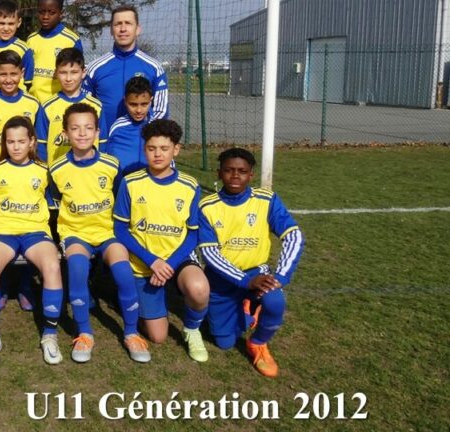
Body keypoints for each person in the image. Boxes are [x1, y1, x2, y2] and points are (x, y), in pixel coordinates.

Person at [48, 103, 146, 364]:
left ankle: (131, 332)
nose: (82, 133)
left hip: (107, 232)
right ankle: (84, 333)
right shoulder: (57, 170)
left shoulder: (111, 165)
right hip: (76, 233)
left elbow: (119, 200)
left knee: (123, 272)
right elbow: (56, 202)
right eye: (75, 128)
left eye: (88, 128)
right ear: (65, 133)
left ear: (97, 132)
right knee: (77, 268)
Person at [198, 148, 306, 377]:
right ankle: (248, 306)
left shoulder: (266, 200)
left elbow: (294, 235)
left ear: (251, 175)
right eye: (228, 170)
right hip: (222, 280)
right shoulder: (206, 206)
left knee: (275, 301)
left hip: (257, 272)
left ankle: (258, 343)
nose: (235, 176)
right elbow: (209, 253)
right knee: (224, 342)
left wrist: (281, 276)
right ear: (219, 173)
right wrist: (245, 282)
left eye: (242, 171)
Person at [112, 119, 209, 363]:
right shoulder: (130, 182)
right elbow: (120, 229)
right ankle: (140, 299)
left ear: (176, 150)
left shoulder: (189, 186)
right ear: (144, 149)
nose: (157, 154)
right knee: (158, 336)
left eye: (164, 148)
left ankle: (192, 329)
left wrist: (169, 264)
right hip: (145, 264)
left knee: (199, 289)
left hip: (177, 260)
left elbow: (193, 233)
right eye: (151, 148)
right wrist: (152, 261)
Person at [0, 117, 64, 366]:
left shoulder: (44, 171)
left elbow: (58, 205)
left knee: (52, 266)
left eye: (21, 141)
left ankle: (50, 335)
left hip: (35, 231)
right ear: (4, 143)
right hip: (2, 231)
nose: (16, 147)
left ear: (32, 142)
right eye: (10, 141)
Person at [86, 5, 169, 121]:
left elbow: (161, 111)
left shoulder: (154, 68)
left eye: (128, 23)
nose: (123, 29)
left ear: (138, 29)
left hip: (142, 133)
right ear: (111, 30)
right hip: (105, 134)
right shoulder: (94, 68)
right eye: (118, 24)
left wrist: (140, 131)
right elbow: (83, 107)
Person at [35, 48, 103, 165]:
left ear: (83, 72)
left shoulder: (96, 106)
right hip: (57, 172)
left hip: (90, 171)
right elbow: (41, 144)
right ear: (56, 73)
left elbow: (103, 142)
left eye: (74, 72)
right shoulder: (47, 106)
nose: (68, 78)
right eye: (63, 72)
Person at [0, 50, 41, 166]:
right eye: (3, 74)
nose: (8, 80)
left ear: (22, 73)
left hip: (24, 168)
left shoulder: (34, 104)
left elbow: (38, 139)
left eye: (13, 74)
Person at [27, 0, 83, 103]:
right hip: (33, 103)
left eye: (51, 12)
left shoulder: (71, 40)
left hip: (58, 104)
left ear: (61, 14)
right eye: (41, 12)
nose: (45, 17)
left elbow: (77, 74)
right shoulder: (31, 39)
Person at [104, 76, 153, 182]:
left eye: (144, 104)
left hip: (151, 186)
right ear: (125, 101)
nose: (139, 110)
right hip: (123, 186)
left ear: (151, 101)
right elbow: (107, 159)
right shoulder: (117, 128)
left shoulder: (157, 127)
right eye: (133, 104)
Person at [0, 1, 34, 92]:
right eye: (2, 23)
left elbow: (28, 82)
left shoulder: (24, 50)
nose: (6, 28)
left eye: (11, 24)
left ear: (19, 22)